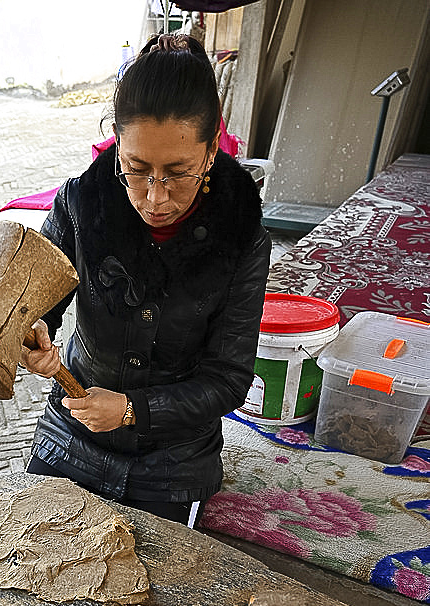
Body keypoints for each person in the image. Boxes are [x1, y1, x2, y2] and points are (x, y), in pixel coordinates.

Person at [22, 33, 271, 526]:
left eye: (177, 172)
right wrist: (33, 334)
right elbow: (36, 302)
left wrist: (134, 409)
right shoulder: (81, 204)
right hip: (74, 427)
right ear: (116, 141)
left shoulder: (240, 235)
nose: (155, 197)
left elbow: (229, 379)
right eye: (137, 168)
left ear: (210, 150)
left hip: (172, 456)